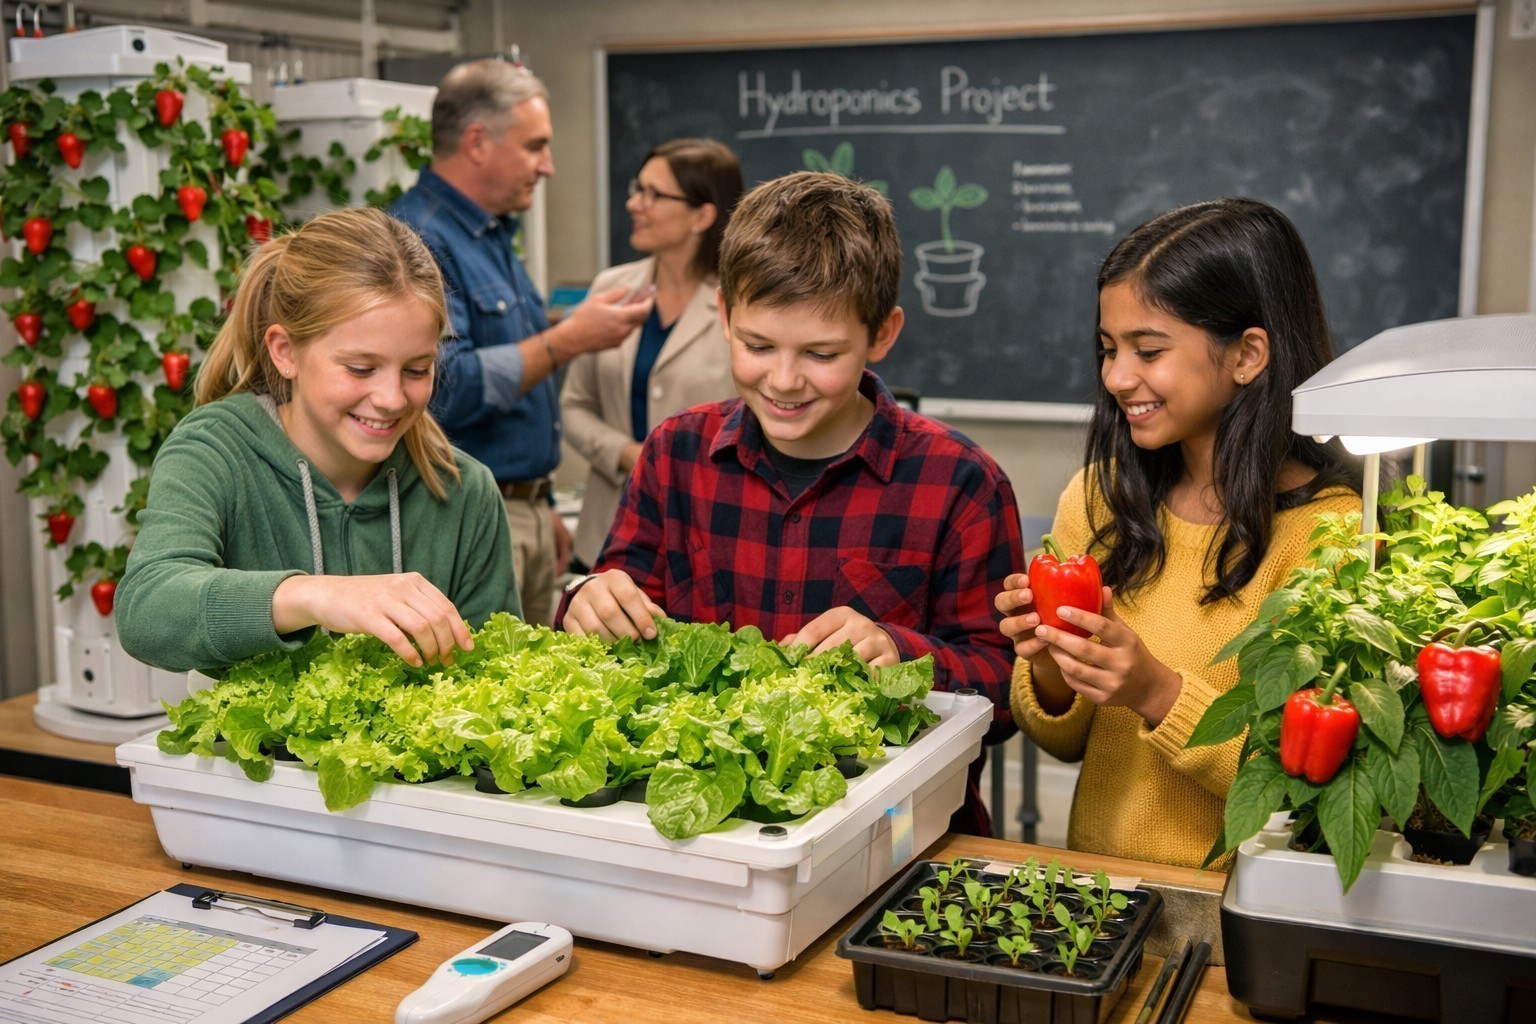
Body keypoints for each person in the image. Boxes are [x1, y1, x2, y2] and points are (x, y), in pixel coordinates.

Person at [559, 171, 1024, 835]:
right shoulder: (675, 454)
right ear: (723, 316)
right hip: (705, 836)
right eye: (756, 346)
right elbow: (612, 612)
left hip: (892, 840)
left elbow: (1007, 693)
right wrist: (587, 601)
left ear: (882, 335)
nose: (782, 380)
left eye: (821, 353)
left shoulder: (959, 482)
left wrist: (900, 652)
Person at [996, 197, 1362, 868]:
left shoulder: (1330, 533)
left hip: (1238, 910)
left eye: (1148, 350)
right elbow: (1064, 742)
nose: (1116, 377)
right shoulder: (1097, 499)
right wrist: (1048, 662)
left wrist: (1156, 692)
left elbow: (1301, 785)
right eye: (1108, 349)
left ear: (1249, 354)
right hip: (1101, 891)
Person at [116, 207, 518, 675]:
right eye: (360, 369)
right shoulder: (214, 450)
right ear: (285, 352)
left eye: (417, 369)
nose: (390, 399)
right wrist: (315, 595)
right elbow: (147, 608)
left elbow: (494, 682)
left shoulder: (465, 491)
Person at [390, 59, 651, 625]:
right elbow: (441, 386)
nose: (548, 166)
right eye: (536, 146)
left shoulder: (491, 233)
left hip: (522, 511)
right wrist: (568, 340)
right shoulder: (419, 238)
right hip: (463, 516)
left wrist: (540, 503)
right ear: (478, 142)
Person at [561, 138, 744, 572]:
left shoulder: (742, 305)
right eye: (636, 189)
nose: (633, 204)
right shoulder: (613, 288)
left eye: (653, 194)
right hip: (606, 537)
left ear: (702, 214)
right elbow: (574, 405)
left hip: (708, 538)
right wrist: (629, 453)